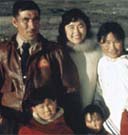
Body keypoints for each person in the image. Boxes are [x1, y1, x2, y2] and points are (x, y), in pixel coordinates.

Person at [0, 0, 78, 134]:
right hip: (8, 123)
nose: (32, 25)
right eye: (26, 20)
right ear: (14, 22)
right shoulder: (2, 52)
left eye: (35, 19)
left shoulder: (55, 51)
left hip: (42, 125)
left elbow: (70, 90)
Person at [57, 8, 109, 133]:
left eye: (80, 26)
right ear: (63, 29)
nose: (76, 31)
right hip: (66, 114)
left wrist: (96, 108)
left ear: (87, 27)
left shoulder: (98, 51)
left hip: (94, 115)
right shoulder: (58, 53)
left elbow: (103, 82)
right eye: (71, 27)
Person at [97, 21, 128, 135]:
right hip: (114, 123)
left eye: (116, 42)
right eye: (107, 43)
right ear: (100, 43)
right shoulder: (102, 63)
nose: (112, 47)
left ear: (123, 41)